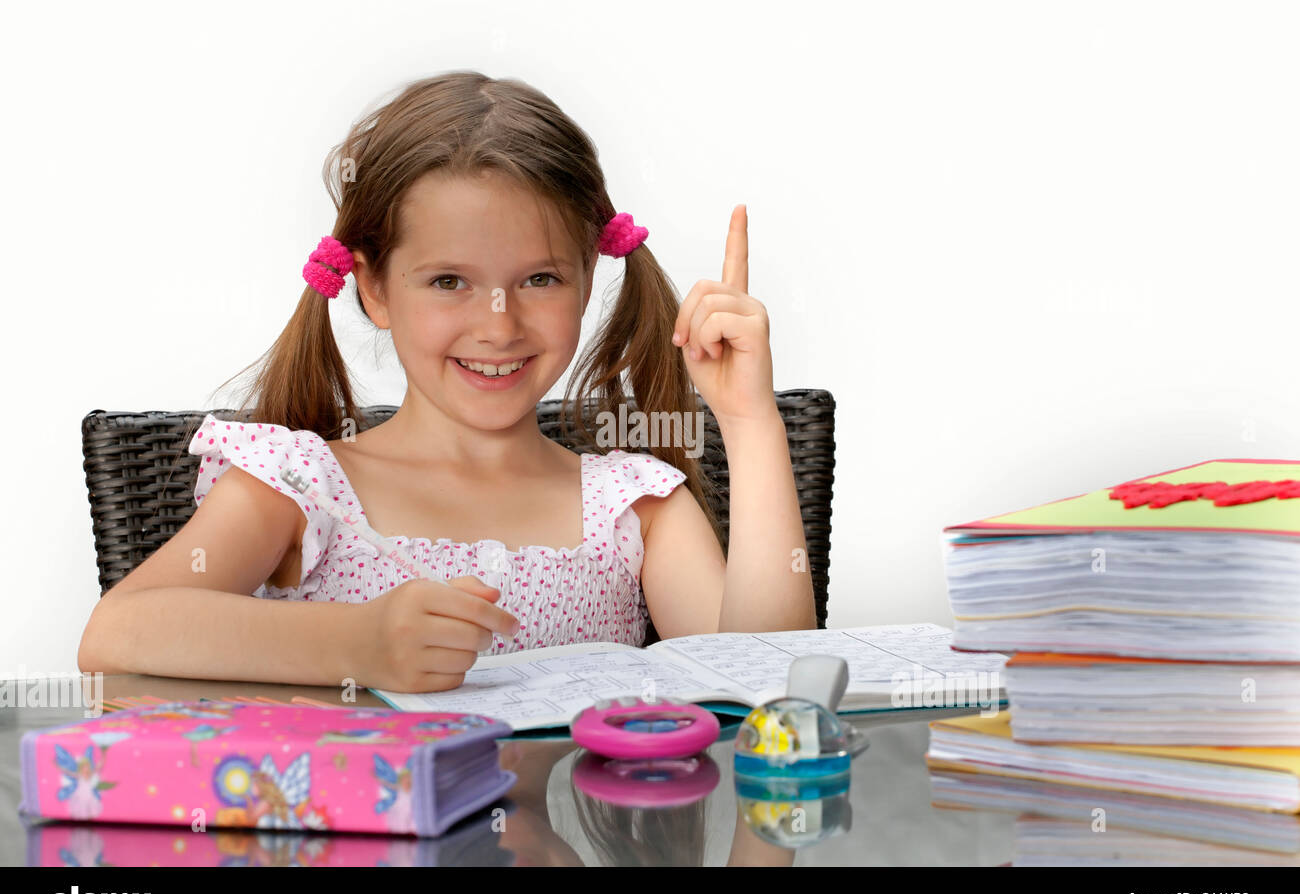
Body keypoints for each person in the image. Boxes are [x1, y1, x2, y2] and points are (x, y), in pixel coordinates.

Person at [79, 70, 815, 692]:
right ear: (372, 288)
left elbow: (767, 685)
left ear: (589, 279)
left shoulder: (635, 508)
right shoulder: (300, 486)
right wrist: (356, 644)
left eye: (539, 278)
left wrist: (749, 423)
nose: (498, 324)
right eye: (449, 281)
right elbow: (117, 634)